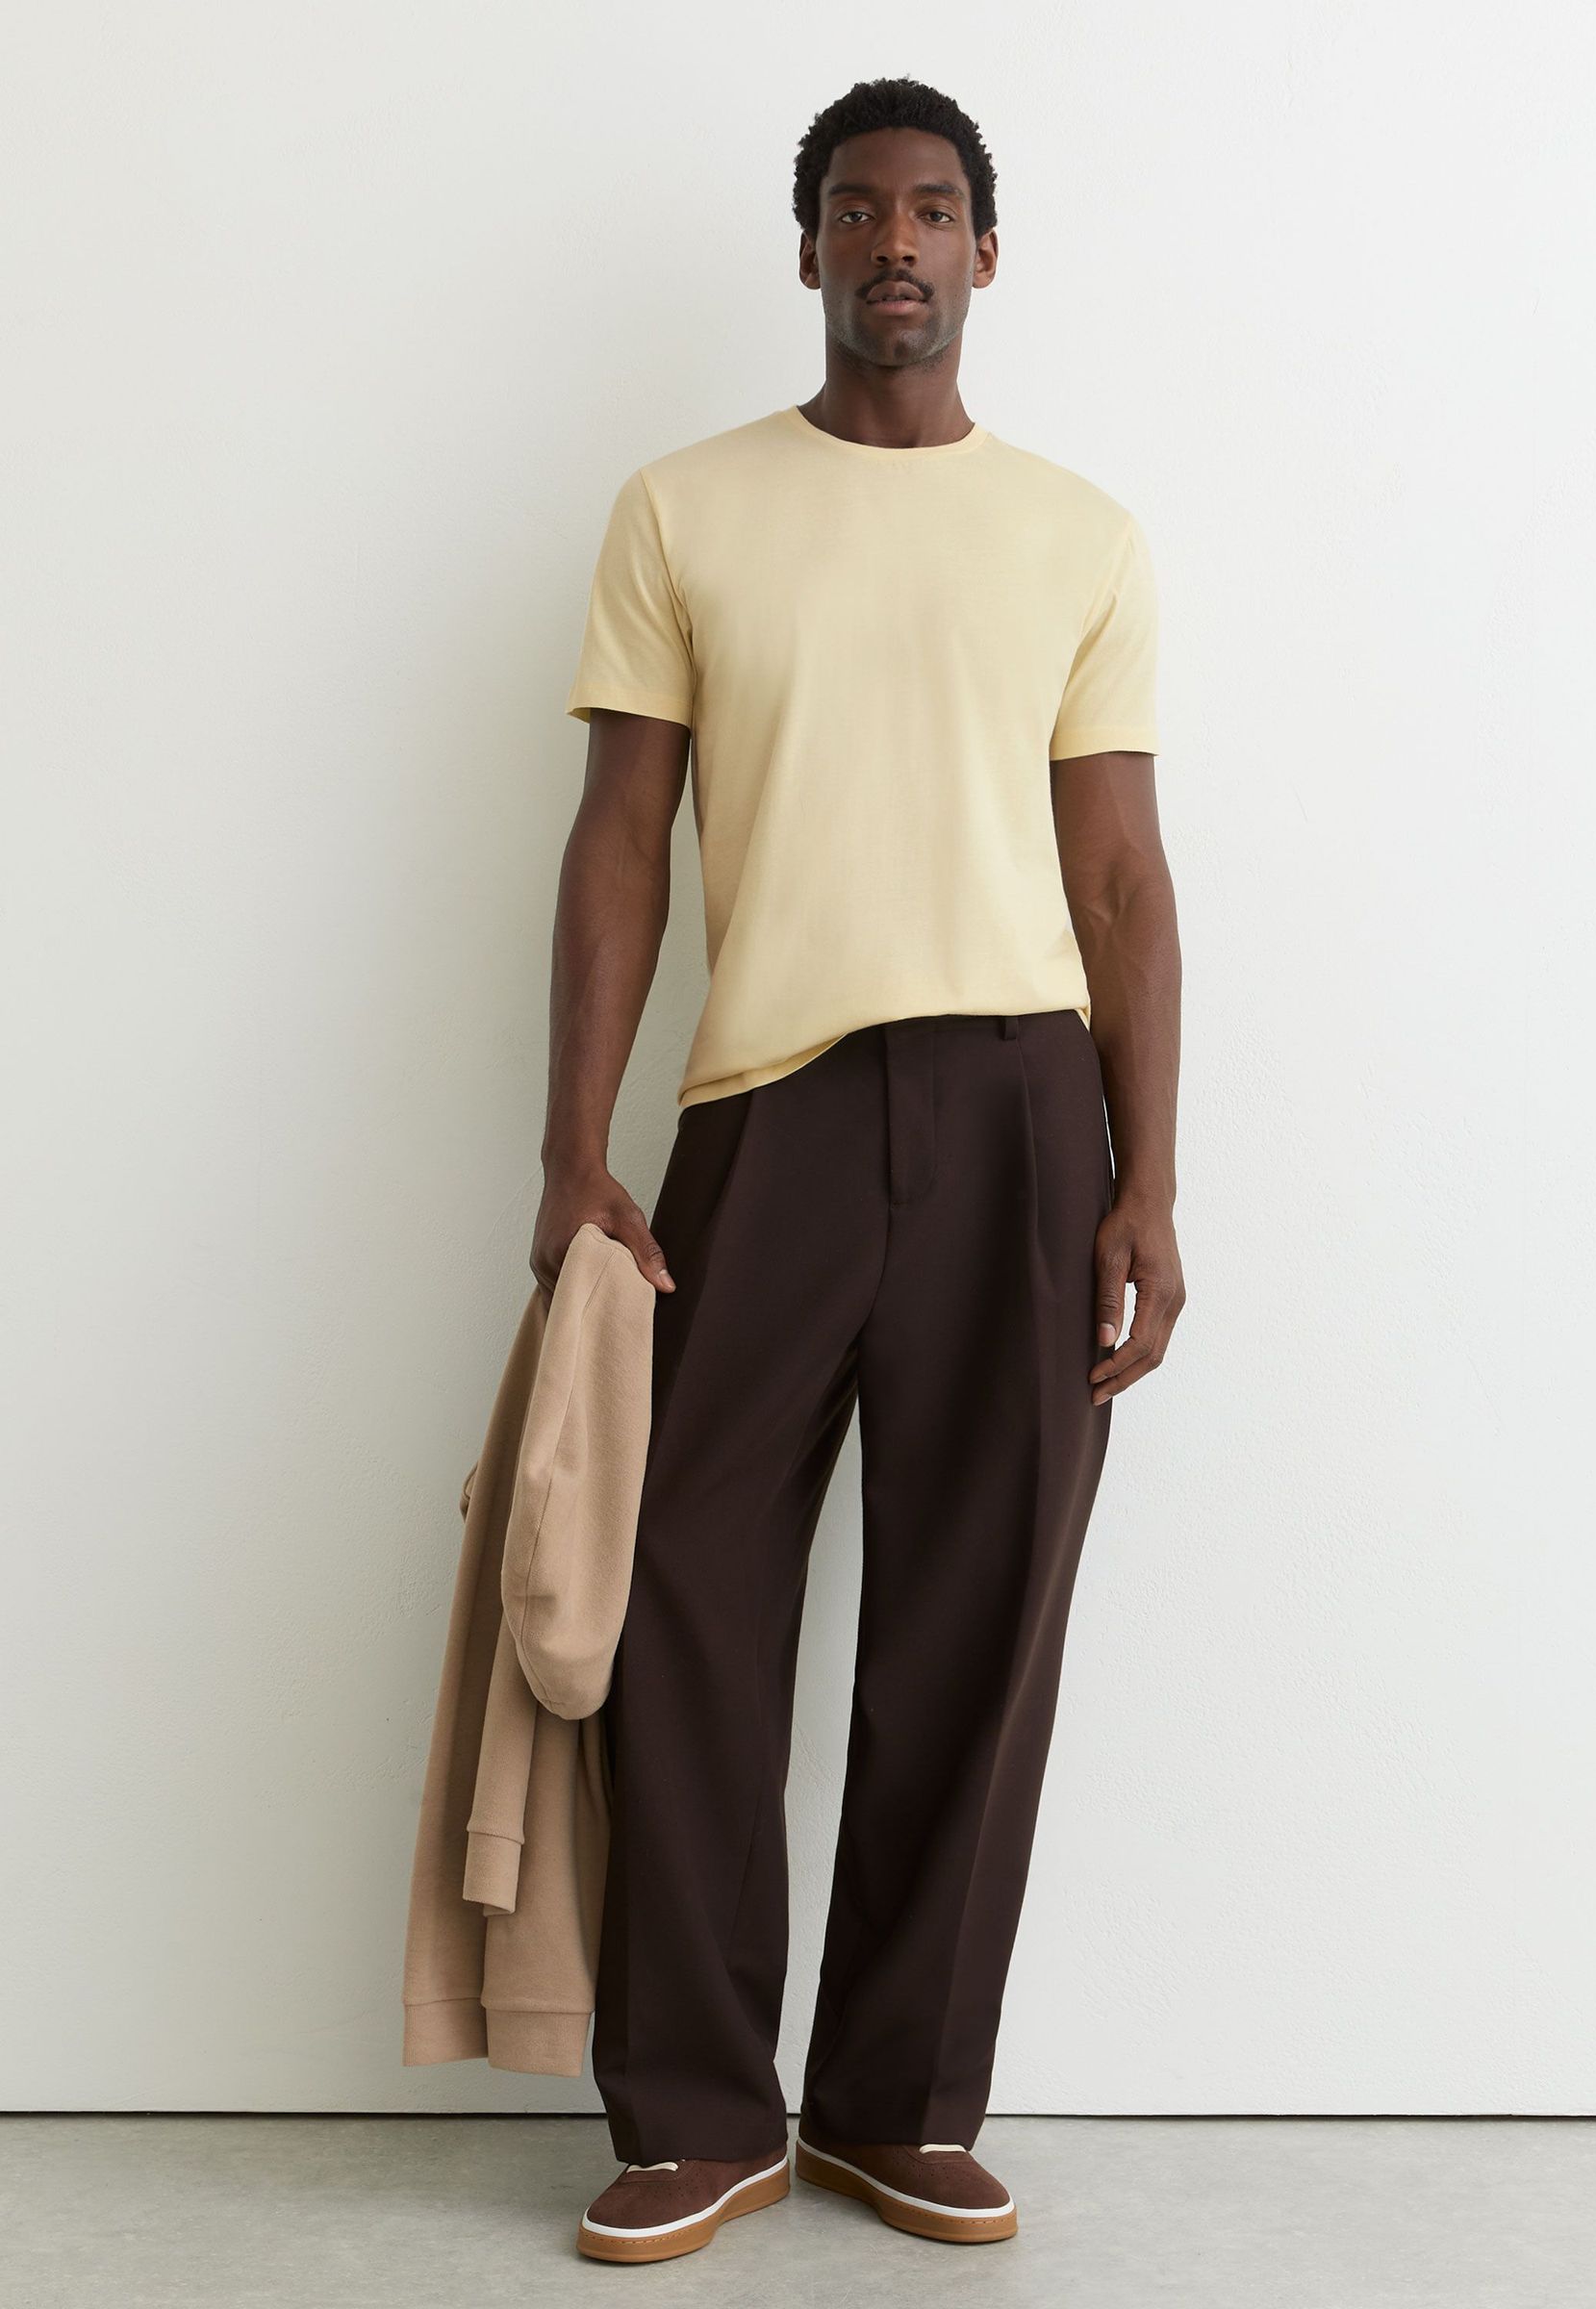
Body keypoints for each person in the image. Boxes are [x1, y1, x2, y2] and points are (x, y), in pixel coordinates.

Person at [534, 74, 1184, 2267]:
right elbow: (621, 838)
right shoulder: (684, 509)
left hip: (1024, 1108)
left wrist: (1150, 1180)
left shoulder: (1079, 535)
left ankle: (898, 2107)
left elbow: (1124, 876)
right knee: (685, 1597)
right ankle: (699, 2111)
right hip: (770, 1105)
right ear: (807, 247)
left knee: (975, 1617)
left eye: (928, 209)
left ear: (985, 254)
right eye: (852, 208)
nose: (891, 241)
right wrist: (574, 1149)